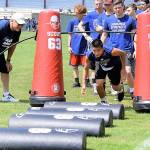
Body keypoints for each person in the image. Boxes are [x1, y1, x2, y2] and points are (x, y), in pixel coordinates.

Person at [101, 0, 137, 99]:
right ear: (113, 8)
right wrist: (99, 46)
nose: (117, 10)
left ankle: (133, 92)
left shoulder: (130, 20)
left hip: (126, 49)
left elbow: (135, 36)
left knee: (128, 71)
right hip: (113, 50)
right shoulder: (108, 20)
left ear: (123, 8)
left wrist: (135, 48)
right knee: (117, 73)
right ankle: (120, 90)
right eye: (116, 8)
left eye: (119, 8)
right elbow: (104, 34)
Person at [81, 39, 126, 103]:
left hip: (114, 67)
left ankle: (120, 90)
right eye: (94, 50)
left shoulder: (111, 51)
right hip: (101, 66)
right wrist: (83, 84)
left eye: (98, 50)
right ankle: (104, 101)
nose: (96, 53)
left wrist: (123, 69)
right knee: (98, 85)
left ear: (103, 48)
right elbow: (85, 69)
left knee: (115, 87)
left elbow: (123, 54)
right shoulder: (89, 54)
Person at [78, 0, 104, 94]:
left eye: (99, 3)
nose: (97, 5)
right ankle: (95, 87)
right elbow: (80, 25)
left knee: (106, 65)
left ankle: (113, 87)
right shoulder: (90, 15)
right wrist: (86, 36)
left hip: (105, 44)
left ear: (103, 4)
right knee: (94, 67)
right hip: (93, 44)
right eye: (96, 3)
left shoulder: (107, 14)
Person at [0, 13, 25, 102]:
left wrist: (8, 60)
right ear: (12, 21)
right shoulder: (2, 26)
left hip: (0, 52)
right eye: (18, 24)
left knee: (5, 69)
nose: (20, 26)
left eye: (22, 25)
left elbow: (13, 45)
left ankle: (6, 95)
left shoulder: (17, 31)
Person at [66, 4, 91, 87]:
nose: (75, 14)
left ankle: (87, 81)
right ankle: (76, 82)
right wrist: (69, 46)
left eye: (77, 12)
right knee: (74, 66)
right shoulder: (72, 22)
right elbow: (69, 34)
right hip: (74, 47)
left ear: (82, 13)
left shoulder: (87, 22)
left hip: (85, 48)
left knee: (86, 65)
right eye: (75, 12)